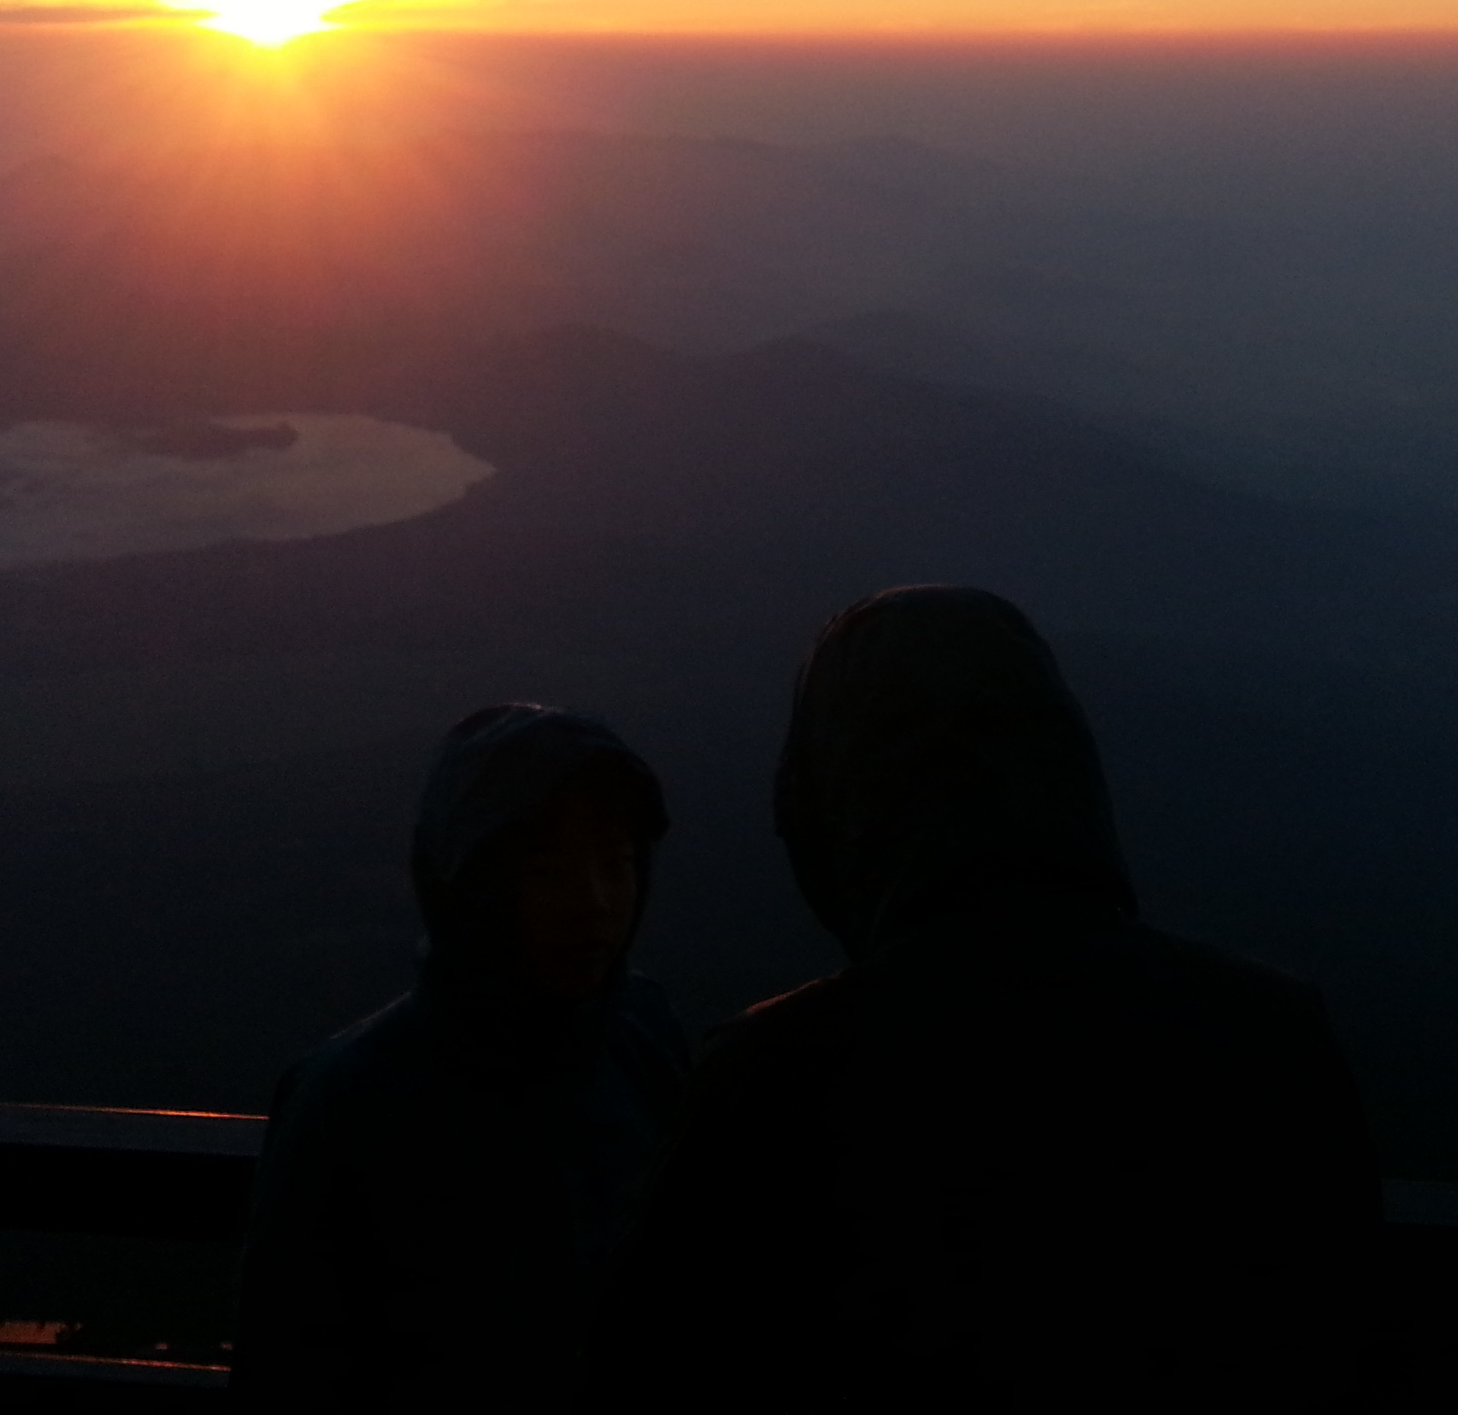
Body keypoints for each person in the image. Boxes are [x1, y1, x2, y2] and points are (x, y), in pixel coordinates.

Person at [597, 585, 1381, 1406]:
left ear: (829, 801)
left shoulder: (778, 1077)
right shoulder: (1275, 1030)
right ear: (1068, 765)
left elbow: (646, 1383)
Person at [233, 705, 687, 1410]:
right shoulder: (353, 1098)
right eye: (548, 871)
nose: (596, 902)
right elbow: (289, 1369)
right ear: (472, 888)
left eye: (617, 862)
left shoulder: (642, 1038)